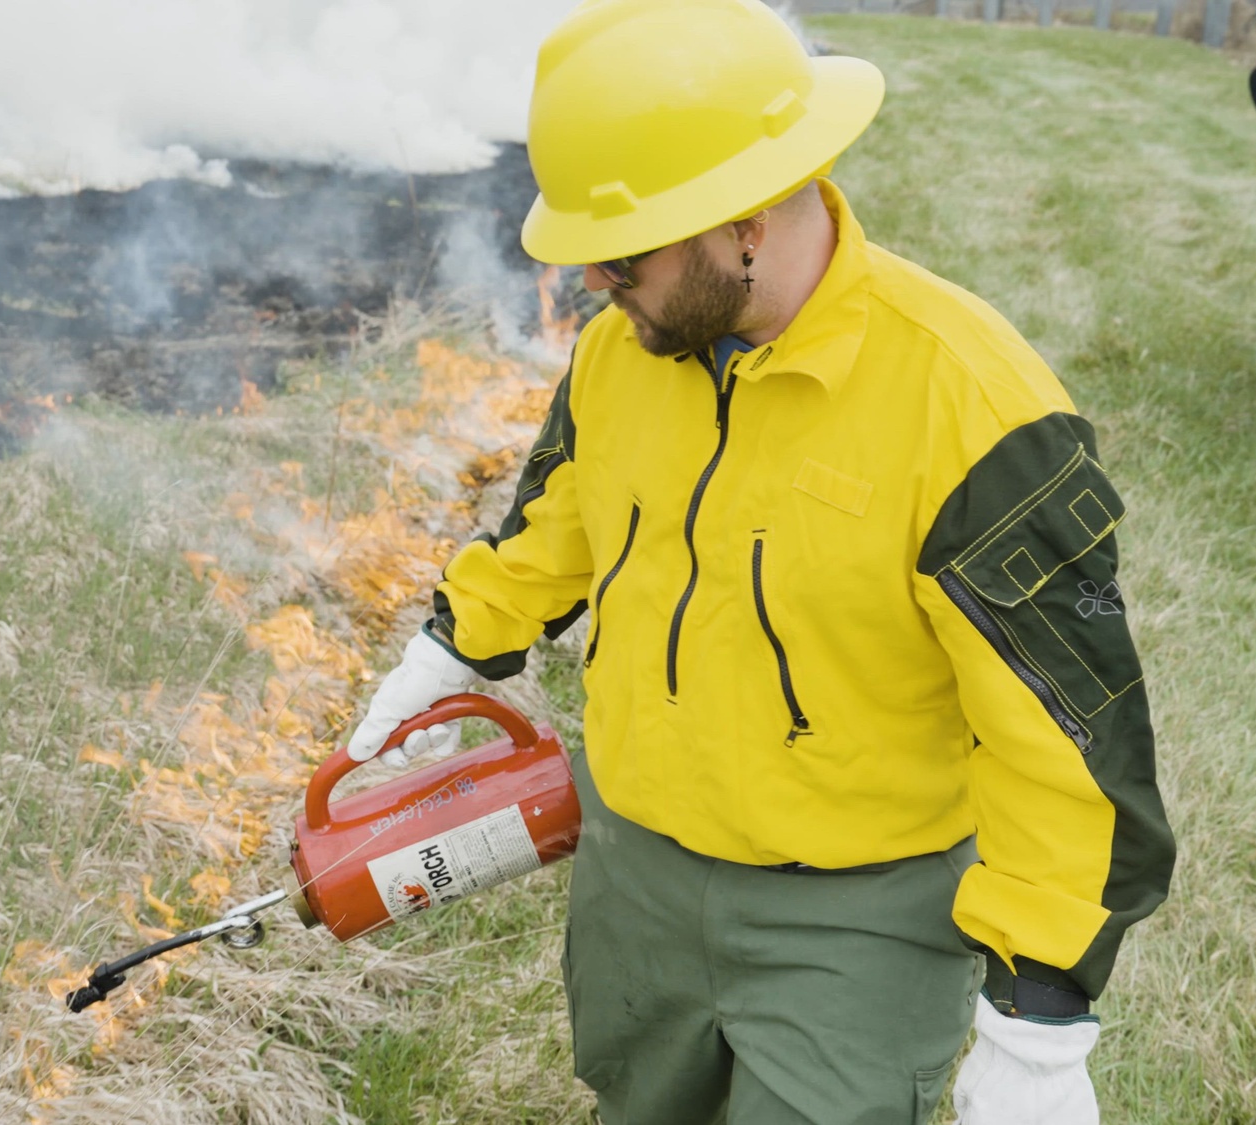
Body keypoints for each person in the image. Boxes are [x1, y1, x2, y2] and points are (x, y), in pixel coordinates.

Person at [345, 1, 1174, 1121]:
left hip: (857, 915)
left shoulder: (970, 410)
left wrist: (1039, 1020)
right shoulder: (621, 352)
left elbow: (1065, 739)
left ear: (739, 222)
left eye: (620, 253)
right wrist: (454, 648)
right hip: (633, 870)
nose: (595, 280)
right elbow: (560, 516)